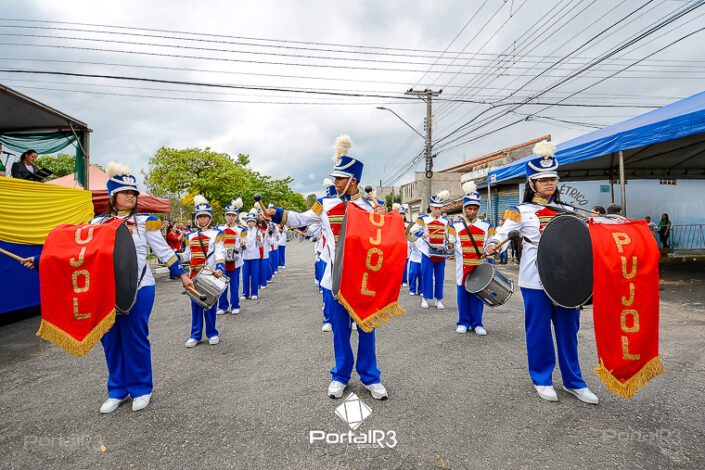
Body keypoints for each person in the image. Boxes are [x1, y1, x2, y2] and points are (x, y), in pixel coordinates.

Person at [266, 135, 388, 400]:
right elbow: (300, 218)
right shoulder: (325, 203)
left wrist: (385, 217)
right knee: (340, 331)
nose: (335, 183)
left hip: (363, 280)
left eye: (340, 179)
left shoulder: (372, 206)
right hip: (335, 278)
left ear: (352, 180)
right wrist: (278, 213)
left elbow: (385, 240)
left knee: (367, 329)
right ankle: (340, 376)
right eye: (335, 178)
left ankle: (371, 376)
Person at [485, 140, 598, 405]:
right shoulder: (519, 211)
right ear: (532, 183)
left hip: (566, 279)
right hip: (535, 279)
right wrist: (492, 244)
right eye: (543, 179)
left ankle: (574, 382)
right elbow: (502, 234)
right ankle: (542, 378)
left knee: (569, 331)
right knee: (538, 331)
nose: (549, 183)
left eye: (552, 179)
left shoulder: (569, 211)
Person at [89, 163, 192, 413]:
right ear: (112, 196)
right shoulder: (97, 222)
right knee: (110, 339)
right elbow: (84, 253)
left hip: (140, 287)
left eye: (133, 193)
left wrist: (182, 275)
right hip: (107, 289)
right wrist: (40, 261)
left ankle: (141, 388)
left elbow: (163, 251)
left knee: (134, 337)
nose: (130, 196)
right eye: (124, 192)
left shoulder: (147, 221)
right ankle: (117, 389)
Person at [179, 195, 225, 348]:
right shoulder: (190, 235)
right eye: (200, 217)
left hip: (209, 274)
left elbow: (219, 252)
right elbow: (187, 255)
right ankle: (195, 335)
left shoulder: (217, 233)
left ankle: (212, 333)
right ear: (197, 219)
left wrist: (219, 267)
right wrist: (176, 257)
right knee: (195, 305)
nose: (203, 219)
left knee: (210, 305)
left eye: (205, 216)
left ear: (210, 218)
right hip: (193, 275)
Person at [450, 182, 492, 336]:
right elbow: (449, 246)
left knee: (478, 295)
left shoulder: (487, 226)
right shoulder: (455, 226)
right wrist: (448, 244)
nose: (472, 211)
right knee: (462, 295)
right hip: (462, 267)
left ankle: (477, 323)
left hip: (479, 266)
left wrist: (492, 248)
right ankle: (463, 322)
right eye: (469, 208)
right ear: (464, 209)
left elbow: (492, 243)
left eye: (475, 209)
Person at [411, 190, 451, 310]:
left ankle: (439, 299)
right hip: (427, 252)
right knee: (426, 275)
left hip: (441, 252)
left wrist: (449, 242)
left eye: (440, 208)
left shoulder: (446, 221)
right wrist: (422, 234)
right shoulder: (422, 219)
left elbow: (449, 236)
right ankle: (425, 298)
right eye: (435, 208)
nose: (438, 210)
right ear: (431, 207)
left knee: (440, 277)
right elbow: (413, 230)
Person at [216, 198, 244, 315]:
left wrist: (242, 246)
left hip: (235, 261)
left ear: (236, 216)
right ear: (225, 216)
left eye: (233, 215)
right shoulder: (218, 229)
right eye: (229, 215)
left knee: (234, 285)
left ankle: (235, 305)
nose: (231, 217)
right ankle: (223, 306)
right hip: (222, 261)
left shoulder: (241, 230)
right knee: (221, 284)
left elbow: (244, 246)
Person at [240, 211, 262, 300]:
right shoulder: (243, 231)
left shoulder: (258, 231)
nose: (250, 223)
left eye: (252, 221)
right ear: (246, 222)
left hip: (255, 256)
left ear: (255, 222)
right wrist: (242, 245)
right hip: (245, 256)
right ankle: (245, 293)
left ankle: (254, 293)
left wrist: (259, 240)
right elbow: (241, 243)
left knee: (255, 275)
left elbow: (261, 245)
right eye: (249, 221)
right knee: (245, 276)